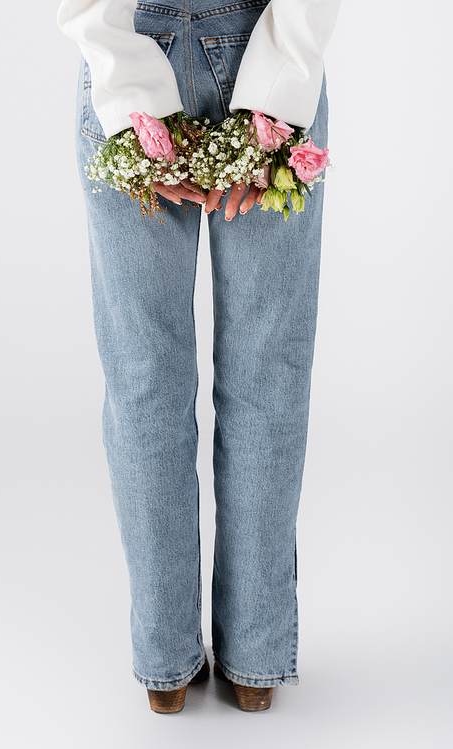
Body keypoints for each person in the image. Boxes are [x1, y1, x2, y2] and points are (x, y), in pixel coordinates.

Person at [57, 0, 340, 713]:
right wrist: (279, 88)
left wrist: (128, 100)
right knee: (266, 374)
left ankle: (166, 663)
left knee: (144, 379)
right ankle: (255, 656)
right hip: (263, 38)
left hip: (128, 34)